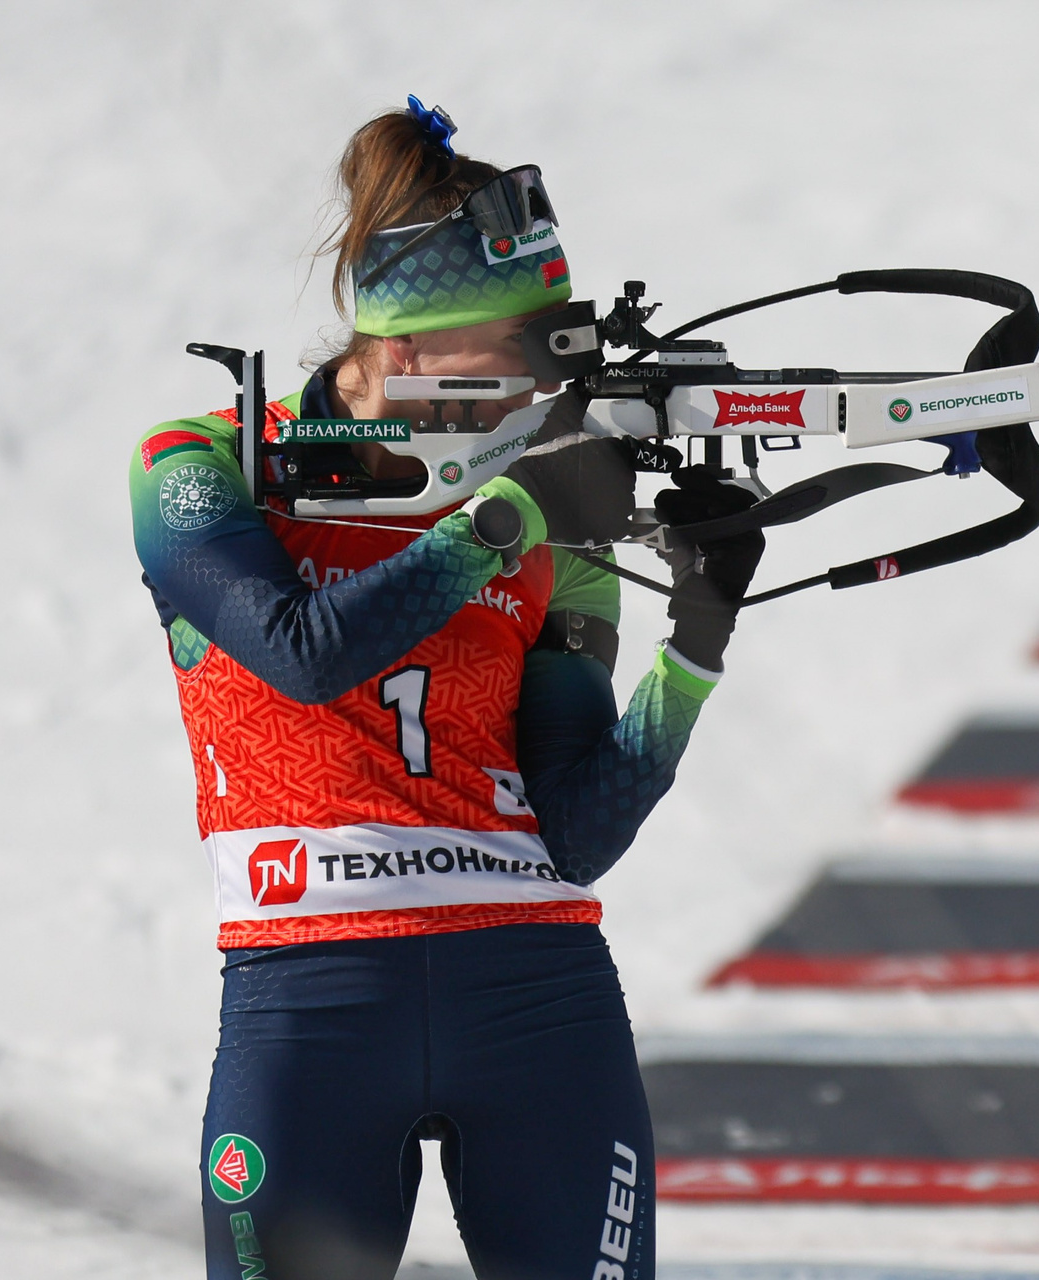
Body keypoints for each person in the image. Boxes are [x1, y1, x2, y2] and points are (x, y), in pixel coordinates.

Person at [130, 98, 760, 1280]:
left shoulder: (546, 500)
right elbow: (301, 651)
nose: (544, 375)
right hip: (307, 996)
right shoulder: (201, 462)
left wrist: (700, 634)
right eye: (519, 343)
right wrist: (501, 524)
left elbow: (578, 830)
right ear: (407, 347)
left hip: (541, 998)